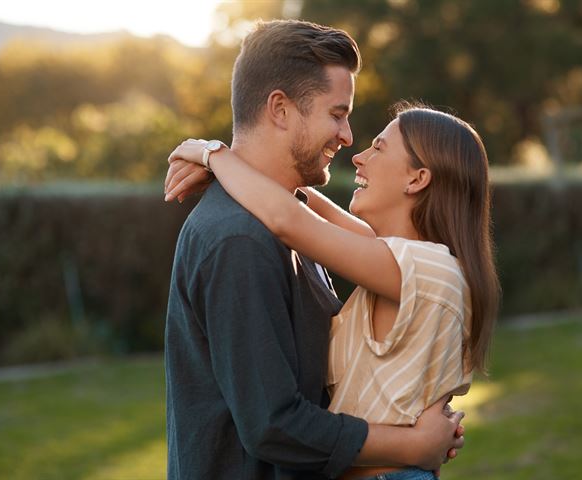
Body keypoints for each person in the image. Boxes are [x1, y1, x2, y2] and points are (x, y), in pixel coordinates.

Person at [163, 20, 466, 480]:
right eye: (337, 113)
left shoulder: (292, 230)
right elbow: (275, 425)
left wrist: (218, 158)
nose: (348, 137)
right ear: (281, 110)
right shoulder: (240, 240)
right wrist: (412, 445)